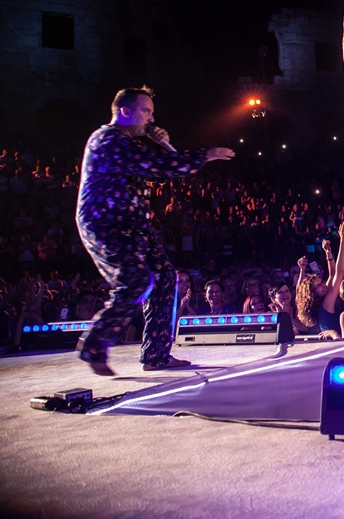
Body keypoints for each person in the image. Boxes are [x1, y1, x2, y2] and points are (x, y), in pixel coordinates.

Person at [74, 86, 234, 375]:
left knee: (163, 279)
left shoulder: (130, 145)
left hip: (135, 227)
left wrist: (163, 146)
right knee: (135, 281)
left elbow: (153, 172)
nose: (151, 117)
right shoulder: (107, 140)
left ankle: (156, 354)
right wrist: (202, 155)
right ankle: (93, 345)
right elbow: (156, 166)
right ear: (125, 111)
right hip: (106, 224)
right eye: (145, 111)